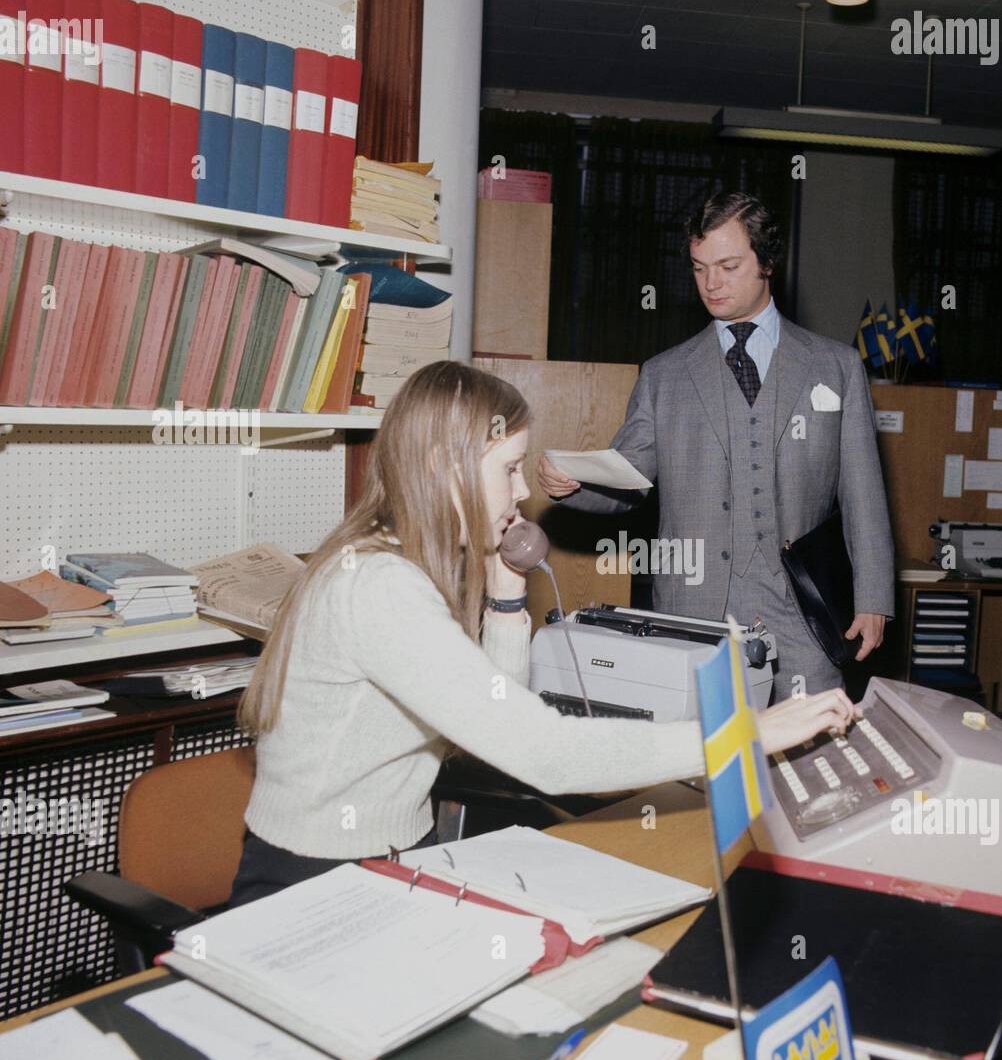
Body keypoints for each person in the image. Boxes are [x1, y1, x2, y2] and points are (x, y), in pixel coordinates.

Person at [226, 363, 859, 908]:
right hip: (314, 879)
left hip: (390, 859)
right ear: (441, 469)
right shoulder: (380, 586)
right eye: (509, 469)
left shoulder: (401, 564)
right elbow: (542, 752)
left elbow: (490, 718)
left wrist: (505, 599)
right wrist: (743, 736)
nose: (524, 492)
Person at [536, 191, 895, 702]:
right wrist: (573, 485)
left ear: (768, 261)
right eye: (700, 267)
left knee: (815, 750)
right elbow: (627, 482)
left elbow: (864, 494)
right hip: (694, 611)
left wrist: (873, 596)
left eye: (728, 265)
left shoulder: (835, 367)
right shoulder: (663, 375)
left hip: (805, 608)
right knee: (704, 761)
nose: (711, 283)